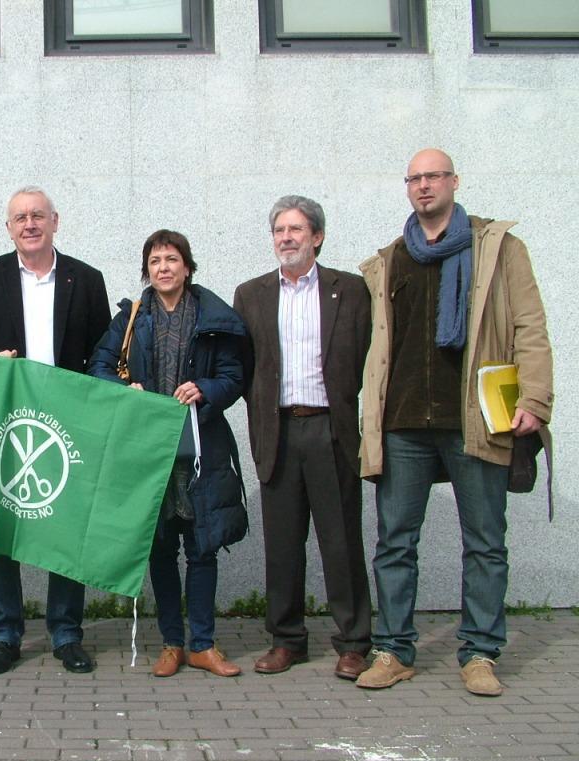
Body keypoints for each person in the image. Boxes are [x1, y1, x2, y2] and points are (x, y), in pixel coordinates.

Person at [356, 149, 553, 697]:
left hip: (476, 418)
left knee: (486, 541)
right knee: (394, 541)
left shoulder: (498, 249)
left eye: (433, 176)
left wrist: (534, 398)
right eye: (414, 178)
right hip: (402, 422)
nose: (424, 186)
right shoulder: (389, 260)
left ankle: (480, 652)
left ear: (454, 182)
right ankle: (393, 649)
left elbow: (530, 327)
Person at [0, 186, 110, 674]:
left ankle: (66, 633)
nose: (29, 224)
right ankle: (4, 634)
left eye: (37, 215)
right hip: (7, 421)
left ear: (55, 221)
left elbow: (103, 351)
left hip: (68, 421)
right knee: (3, 526)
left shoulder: (86, 279)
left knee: (67, 527)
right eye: (19, 217)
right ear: (9, 227)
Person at [89, 229, 248, 677]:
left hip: (201, 448)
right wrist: (125, 389)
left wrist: (206, 388)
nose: (163, 267)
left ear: (187, 266)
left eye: (172, 259)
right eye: (155, 260)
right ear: (147, 269)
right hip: (148, 451)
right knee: (160, 549)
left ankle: (203, 643)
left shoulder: (213, 316)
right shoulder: (132, 318)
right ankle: (171, 644)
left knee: (202, 548)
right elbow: (99, 366)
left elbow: (235, 376)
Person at [233, 196, 373, 681]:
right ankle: (286, 639)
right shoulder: (250, 295)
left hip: (330, 429)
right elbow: (244, 368)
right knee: (283, 545)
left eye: (296, 229)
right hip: (278, 431)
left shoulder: (350, 290)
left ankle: (354, 643)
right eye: (279, 230)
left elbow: (367, 360)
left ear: (317, 236)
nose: (286, 238)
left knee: (341, 543)